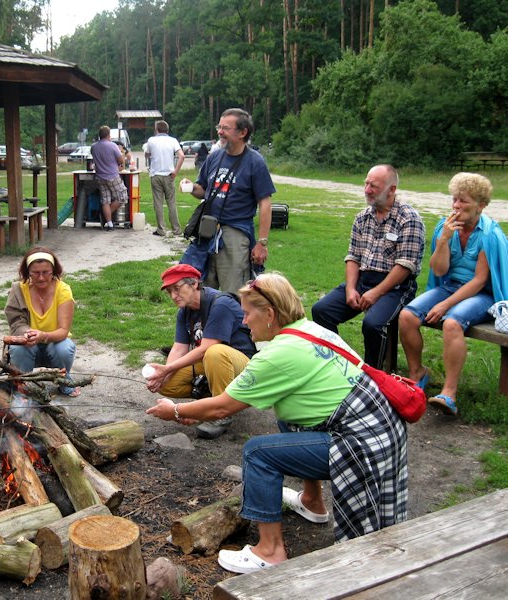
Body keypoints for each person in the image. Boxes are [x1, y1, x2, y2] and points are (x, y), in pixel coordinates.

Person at [146, 272, 408, 573]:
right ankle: (312, 503)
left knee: (258, 453)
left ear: (270, 314)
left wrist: (177, 411)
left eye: (246, 314)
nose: (243, 322)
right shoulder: (311, 330)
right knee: (288, 419)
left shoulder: (278, 354)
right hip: (381, 429)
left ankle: (269, 551)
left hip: (363, 444)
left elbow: (222, 408)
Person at [399, 173, 508, 416]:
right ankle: (417, 375)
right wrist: (443, 241)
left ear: (481, 205)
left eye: (464, 201)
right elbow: (439, 270)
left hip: (482, 293)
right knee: (407, 316)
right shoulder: (444, 227)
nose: (456, 206)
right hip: (450, 285)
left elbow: (480, 281)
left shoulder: (489, 234)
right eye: (455, 200)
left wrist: (444, 305)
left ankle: (449, 393)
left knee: (452, 322)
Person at [312, 164, 425, 369]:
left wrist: (376, 293)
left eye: (374, 186)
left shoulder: (409, 218)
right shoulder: (362, 217)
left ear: (391, 190)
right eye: (366, 183)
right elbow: (353, 257)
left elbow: (405, 266)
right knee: (321, 310)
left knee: (373, 324)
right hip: (363, 280)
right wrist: (350, 288)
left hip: (396, 287)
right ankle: (339, 364)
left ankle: (374, 374)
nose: (367, 190)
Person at [146, 264, 256, 439]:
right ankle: (211, 403)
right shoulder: (185, 312)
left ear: (195, 283)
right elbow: (179, 348)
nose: (173, 296)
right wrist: (164, 375)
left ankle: (221, 414)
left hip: (247, 369)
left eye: (177, 288)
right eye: (169, 292)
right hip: (214, 364)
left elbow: (206, 348)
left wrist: (167, 369)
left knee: (215, 352)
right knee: (168, 384)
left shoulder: (221, 303)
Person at [180, 108, 276, 293]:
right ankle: (205, 323)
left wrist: (261, 243)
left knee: (234, 293)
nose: (220, 132)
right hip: (207, 232)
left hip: (235, 233)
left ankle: (235, 322)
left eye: (226, 128)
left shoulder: (255, 162)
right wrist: (191, 187)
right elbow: (203, 190)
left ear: (242, 132)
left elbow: (265, 204)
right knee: (201, 290)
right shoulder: (214, 156)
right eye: (219, 127)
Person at [4, 247, 80, 397]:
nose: (41, 278)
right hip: (29, 345)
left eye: (46, 272)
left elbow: (63, 331)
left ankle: (64, 380)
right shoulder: (18, 289)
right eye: (35, 273)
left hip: (54, 343)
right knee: (17, 348)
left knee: (66, 348)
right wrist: (28, 334)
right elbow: (15, 322)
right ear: (27, 272)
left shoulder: (63, 290)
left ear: (53, 271)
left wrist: (43, 335)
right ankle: (23, 384)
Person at [145, 120, 185, 237]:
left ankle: (161, 229)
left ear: (157, 129)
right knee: (171, 202)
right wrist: (175, 171)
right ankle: (176, 229)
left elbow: (147, 154)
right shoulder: (173, 140)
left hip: (156, 174)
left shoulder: (151, 140)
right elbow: (181, 156)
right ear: (167, 130)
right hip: (169, 174)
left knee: (158, 203)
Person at [90, 125, 128, 231]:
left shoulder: (94, 146)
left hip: (100, 176)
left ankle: (110, 224)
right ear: (108, 135)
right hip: (112, 176)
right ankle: (104, 215)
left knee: (105, 200)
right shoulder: (112, 146)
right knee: (122, 196)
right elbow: (121, 160)